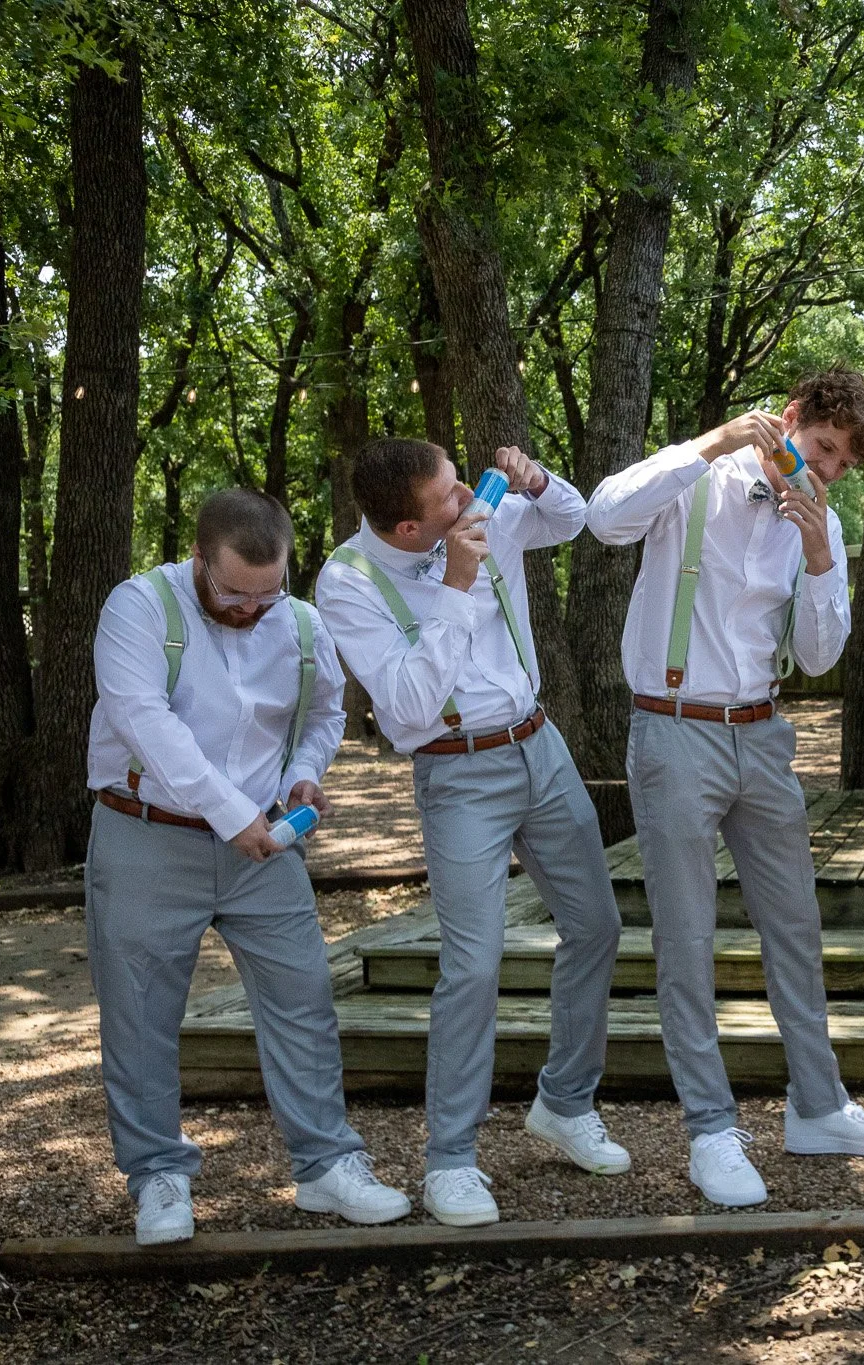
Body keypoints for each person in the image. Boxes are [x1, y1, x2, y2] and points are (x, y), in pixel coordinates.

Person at [585, 367, 864, 1208]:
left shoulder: (823, 526)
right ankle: (711, 1130)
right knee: (687, 939)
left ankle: (817, 1105)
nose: (826, 472)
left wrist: (815, 555)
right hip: (673, 732)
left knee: (796, 926)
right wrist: (710, 442)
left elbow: (817, 657)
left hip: (762, 737)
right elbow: (602, 516)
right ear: (792, 418)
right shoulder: (697, 480)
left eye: (841, 467)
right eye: (823, 448)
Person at [86, 488, 409, 1245]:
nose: (251, 609)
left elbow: (327, 709)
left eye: (269, 592)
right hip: (147, 832)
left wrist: (305, 770)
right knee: (139, 1010)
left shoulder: (297, 622)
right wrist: (236, 817)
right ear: (199, 558)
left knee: (303, 995)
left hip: (267, 843)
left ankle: (328, 1163)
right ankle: (158, 1175)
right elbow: (147, 724)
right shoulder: (137, 608)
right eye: (233, 591)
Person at [317, 439, 625, 1228]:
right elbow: (411, 710)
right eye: (451, 498)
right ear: (408, 528)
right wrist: (456, 587)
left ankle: (564, 1101)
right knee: (473, 964)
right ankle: (450, 1158)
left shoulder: (480, 510)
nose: (472, 500)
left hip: (541, 746)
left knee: (597, 925)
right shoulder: (348, 582)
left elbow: (572, 517)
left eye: (464, 485)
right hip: (457, 775)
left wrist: (540, 477)